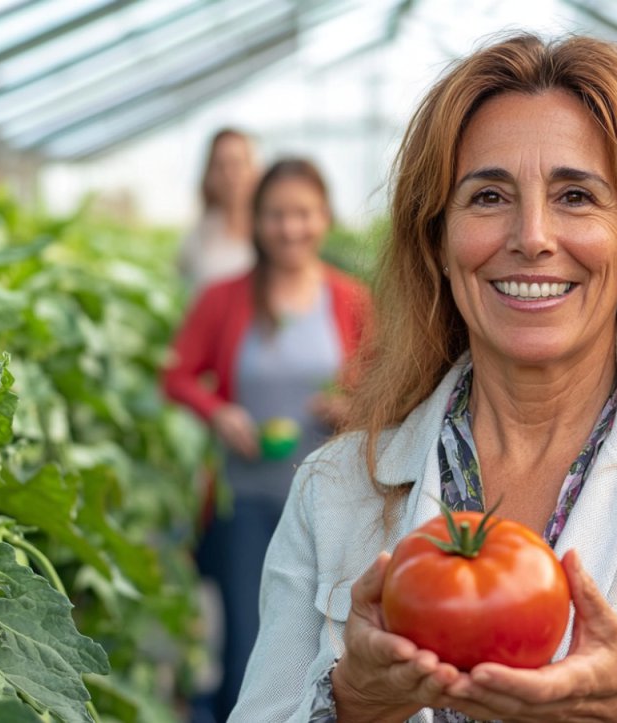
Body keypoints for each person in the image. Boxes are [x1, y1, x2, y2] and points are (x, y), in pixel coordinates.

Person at [230, 32, 617, 722]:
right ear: (437, 244)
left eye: (575, 195)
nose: (532, 235)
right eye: (487, 197)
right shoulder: (334, 492)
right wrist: (349, 704)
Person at [162, 158, 373, 720]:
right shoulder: (223, 297)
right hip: (245, 500)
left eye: (303, 214)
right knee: (249, 649)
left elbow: (389, 387)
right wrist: (220, 413)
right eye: (277, 215)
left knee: (328, 645)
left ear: (324, 218)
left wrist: (351, 408)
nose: (290, 228)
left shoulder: (350, 299)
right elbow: (176, 373)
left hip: (333, 503)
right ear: (256, 222)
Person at [177, 128, 259, 294]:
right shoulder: (198, 237)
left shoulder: (272, 229)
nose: (229, 175)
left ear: (253, 169)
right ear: (209, 175)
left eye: (237, 164)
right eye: (220, 166)